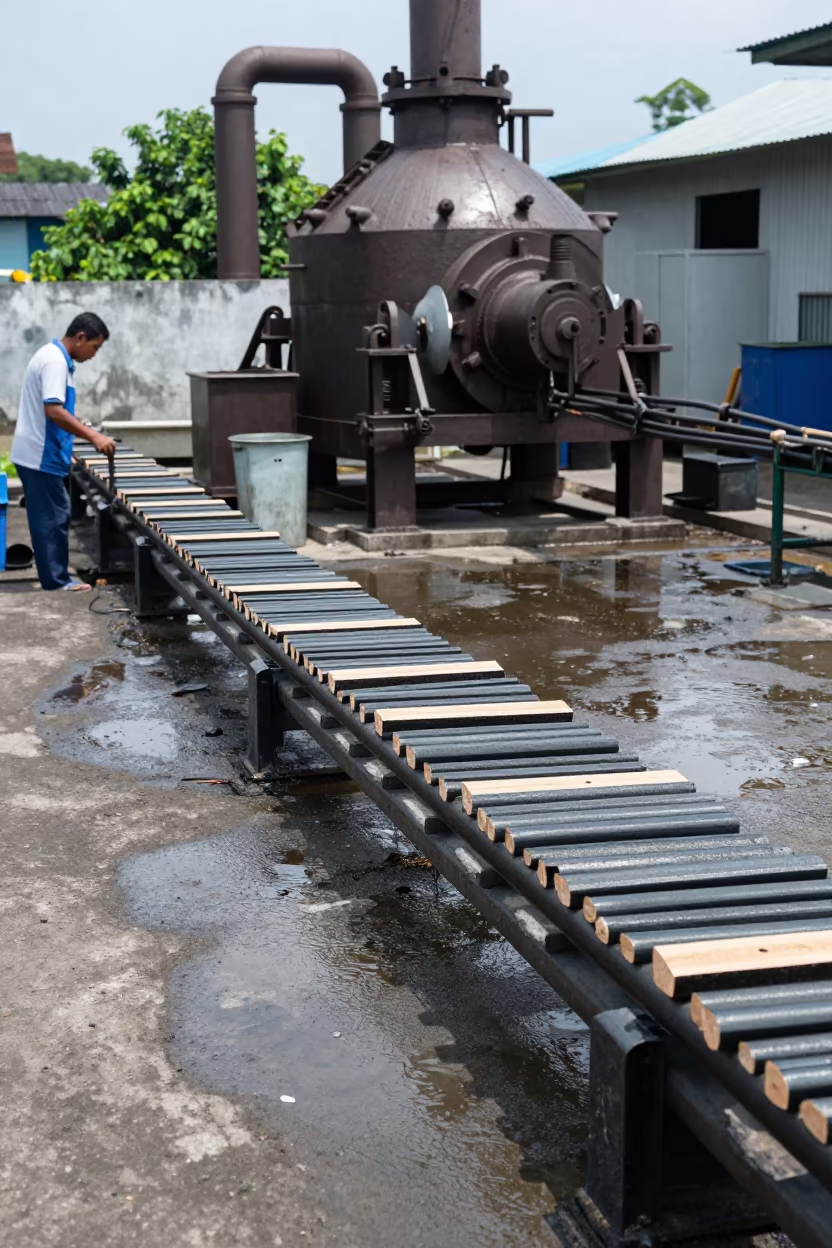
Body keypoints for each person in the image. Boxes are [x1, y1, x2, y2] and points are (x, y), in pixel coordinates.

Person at [11, 312, 116, 591]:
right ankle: (57, 582)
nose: (94, 354)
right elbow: (54, 411)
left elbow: (59, 413)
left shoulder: (54, 358)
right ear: (80, 337)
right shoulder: (55, 362)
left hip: (42, 452)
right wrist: (93, 436)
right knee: (53, 517)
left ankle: (55, 577)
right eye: (95, 346)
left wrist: (68, 447)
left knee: (52, 514)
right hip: (38, 456)